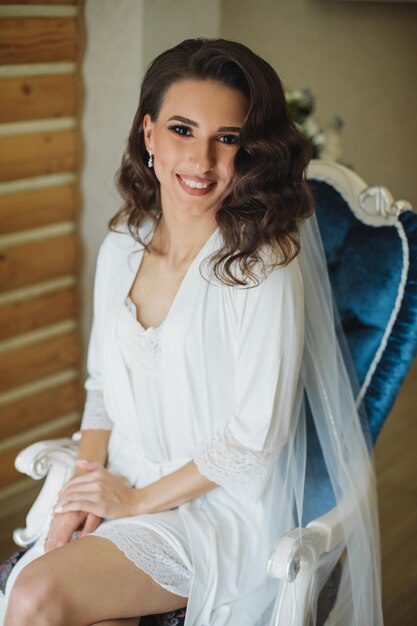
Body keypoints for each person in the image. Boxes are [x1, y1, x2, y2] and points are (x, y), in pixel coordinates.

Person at [3, 39, 382, 626]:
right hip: (120, 479)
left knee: (33, 598)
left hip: (214, 511)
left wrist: (133, 503)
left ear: (250, 152)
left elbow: (253, 442)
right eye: (183, 130)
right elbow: (103, 390)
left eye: (227, 139)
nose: (202, 161)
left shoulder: (262, 267)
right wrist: (83, 491)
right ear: (149, 135)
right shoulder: (121, 249)